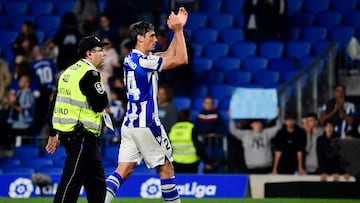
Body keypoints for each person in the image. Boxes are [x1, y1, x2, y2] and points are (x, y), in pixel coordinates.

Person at [104, 7, 189, 203]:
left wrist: (179, 29)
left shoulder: (132, 59)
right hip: (147, 124)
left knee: (123, 170)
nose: (156, 39)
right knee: (166, 168)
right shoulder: (145, 62)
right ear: (140, 38)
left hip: (130, 124)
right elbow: (182, 59)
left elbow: (169, 53)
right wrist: (177, 32)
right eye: (152, 36)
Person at [45, 35, 109, 203]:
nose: (104, 53)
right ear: (89, 53)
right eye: (100, 50)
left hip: (74, 135)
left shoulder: (69, 71)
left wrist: (53, 133)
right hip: (81, 135)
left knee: (96, 181)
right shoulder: (90, 73)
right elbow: (101, 103)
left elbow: (55, 103)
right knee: (71, 181)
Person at [169, 109, 212, 173]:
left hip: (176, 162)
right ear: (189, 117)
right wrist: (207, 162)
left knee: (180, 182)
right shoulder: (191, 128)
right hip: (191, 162)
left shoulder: (173, 128)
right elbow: (198, 147)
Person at [195, 96, 227, 173]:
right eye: (206, 103)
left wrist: (215, 133)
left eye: (210, 103)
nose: (208, 105)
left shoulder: (216, 115)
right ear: (203, 104)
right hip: (202, 143)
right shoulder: (200, 115)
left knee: (216, 160)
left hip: (213, 144)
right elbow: (196, 128)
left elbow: (222, 127)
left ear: (213, 104)